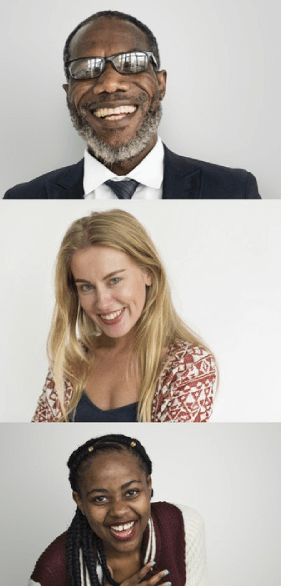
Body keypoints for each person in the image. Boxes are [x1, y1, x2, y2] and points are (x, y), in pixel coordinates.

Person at [5, 10, 258, 199]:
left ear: (160, 84)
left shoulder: (235, 191)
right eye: (86, 68)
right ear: (68, 94)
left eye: (132, 63)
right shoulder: (23, 201)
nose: (110, 83)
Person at [33, 209, 216, 422]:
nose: (102, 302)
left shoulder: (189, 366)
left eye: (114, 280)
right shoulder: (73, 361)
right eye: (87, 287)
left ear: (148, 272)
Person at [29, 434, 208, 586]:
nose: (119, 511)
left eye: (131, 492)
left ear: (149, 484)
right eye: (100, 498)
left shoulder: (183, 526)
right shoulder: (52, 570)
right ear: (80, 502)